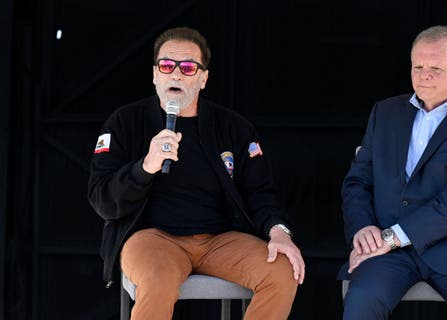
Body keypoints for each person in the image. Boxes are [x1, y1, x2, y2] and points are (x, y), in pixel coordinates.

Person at [88, 27, 304, 320]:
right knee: (158, 279)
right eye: (167, 65)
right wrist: (145, 166)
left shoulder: (233, 127)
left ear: (203, 78)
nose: (176, 74)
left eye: (189, 67)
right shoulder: (125, 122)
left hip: (221, 239)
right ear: (154, 74)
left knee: (281, 270)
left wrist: (279, 232)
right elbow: (102, 199)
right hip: (153, 239)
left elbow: (261, 192)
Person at [339, 25, 447, 319]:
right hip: (388, 252)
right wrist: (363, 228)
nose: (423, 74)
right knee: (362, 301)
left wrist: (389, 238)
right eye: (417, 66)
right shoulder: (385, 112)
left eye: (435, 68)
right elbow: (357, 182)